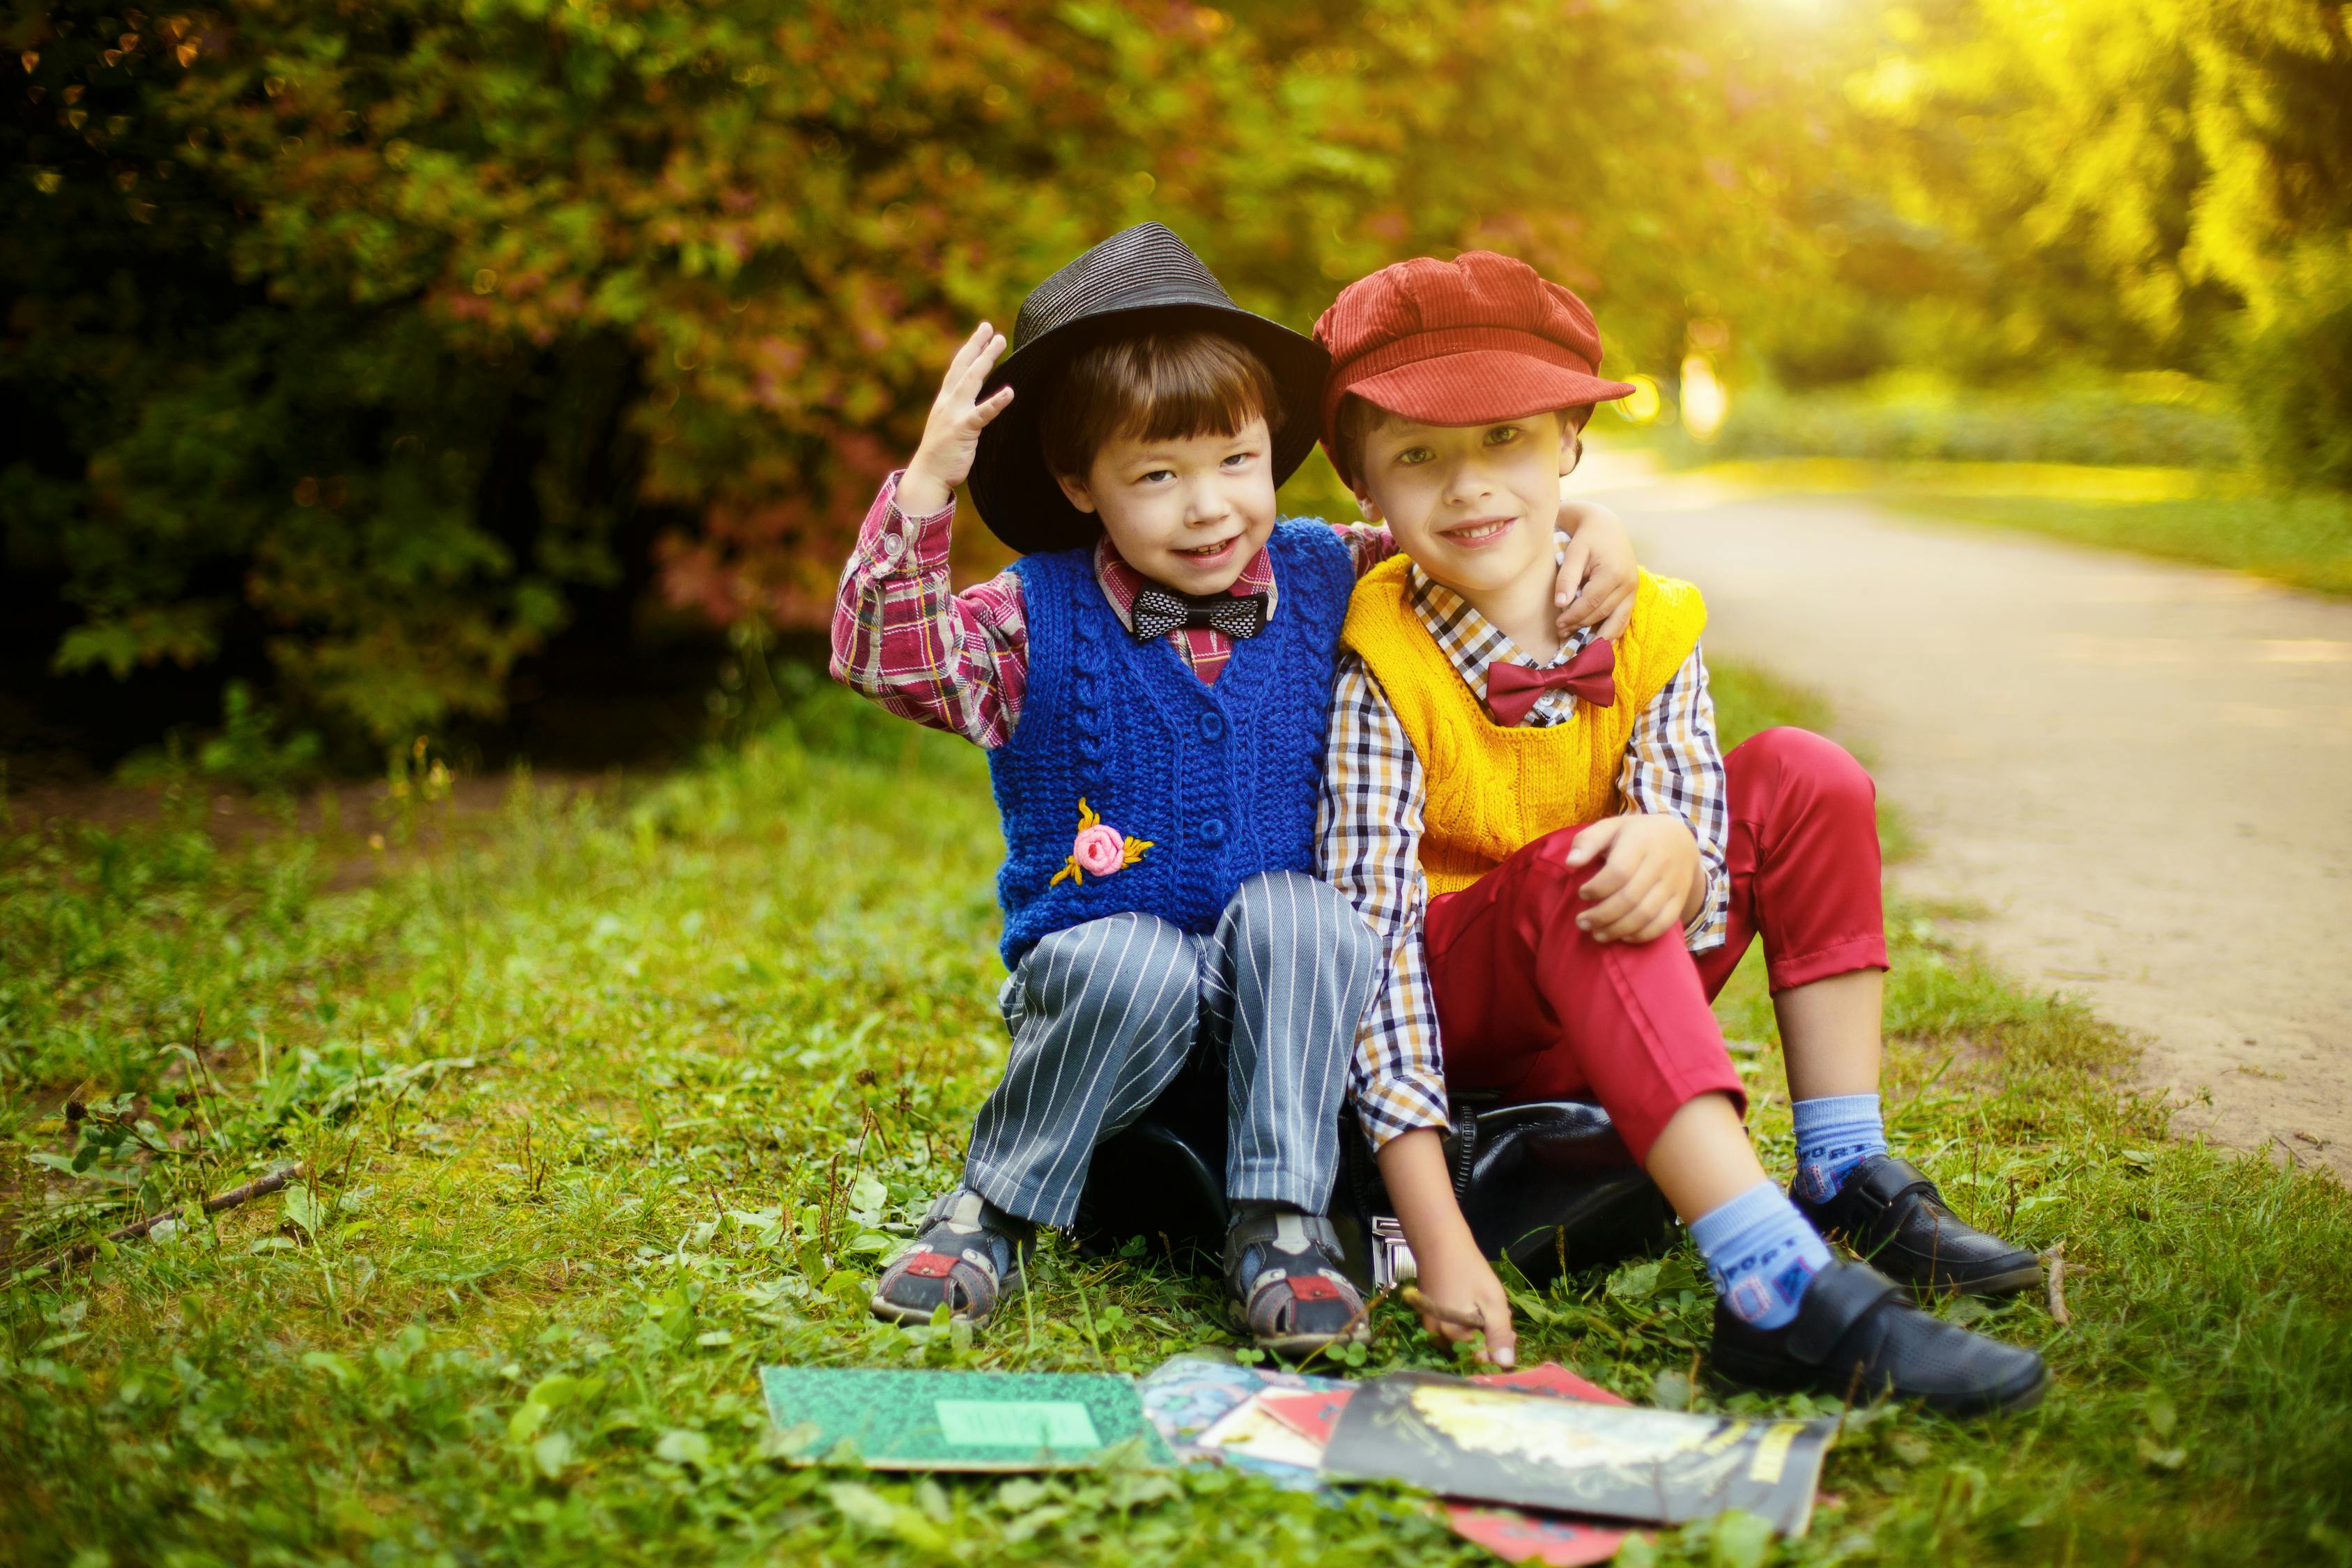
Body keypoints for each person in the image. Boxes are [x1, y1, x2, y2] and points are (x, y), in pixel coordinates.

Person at [829, 224, 1645, 1354]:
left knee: (1309, 914)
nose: (1208, 507)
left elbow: (1467, 546)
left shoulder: (1332, 571)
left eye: (1234, 461)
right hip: (1113, 1012)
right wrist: (927, 488)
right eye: (1156, 477)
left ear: (1273, 450)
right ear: (1080, 485)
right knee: (1129, 954)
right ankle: (992, 1207)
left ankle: (1283, 1218)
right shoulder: (1034, 613)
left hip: (1291, 1012)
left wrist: (1591, 522)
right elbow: (891, 657)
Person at [1315, 250, 2048, 1413]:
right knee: (1583, 867)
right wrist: (1430, 1225)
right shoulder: (1381, 661)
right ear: (1368, 494)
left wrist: (1680, 846)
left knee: (1806, 771)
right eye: (1418, 457)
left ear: (1570, 446)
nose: (1468, 489)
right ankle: (1772, 1285)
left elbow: (1697, 867)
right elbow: (1372, 957)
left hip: (1611, 967)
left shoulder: (1650, 621)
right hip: (1468, 1003)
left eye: (1506, 438)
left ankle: (1845, 1162)